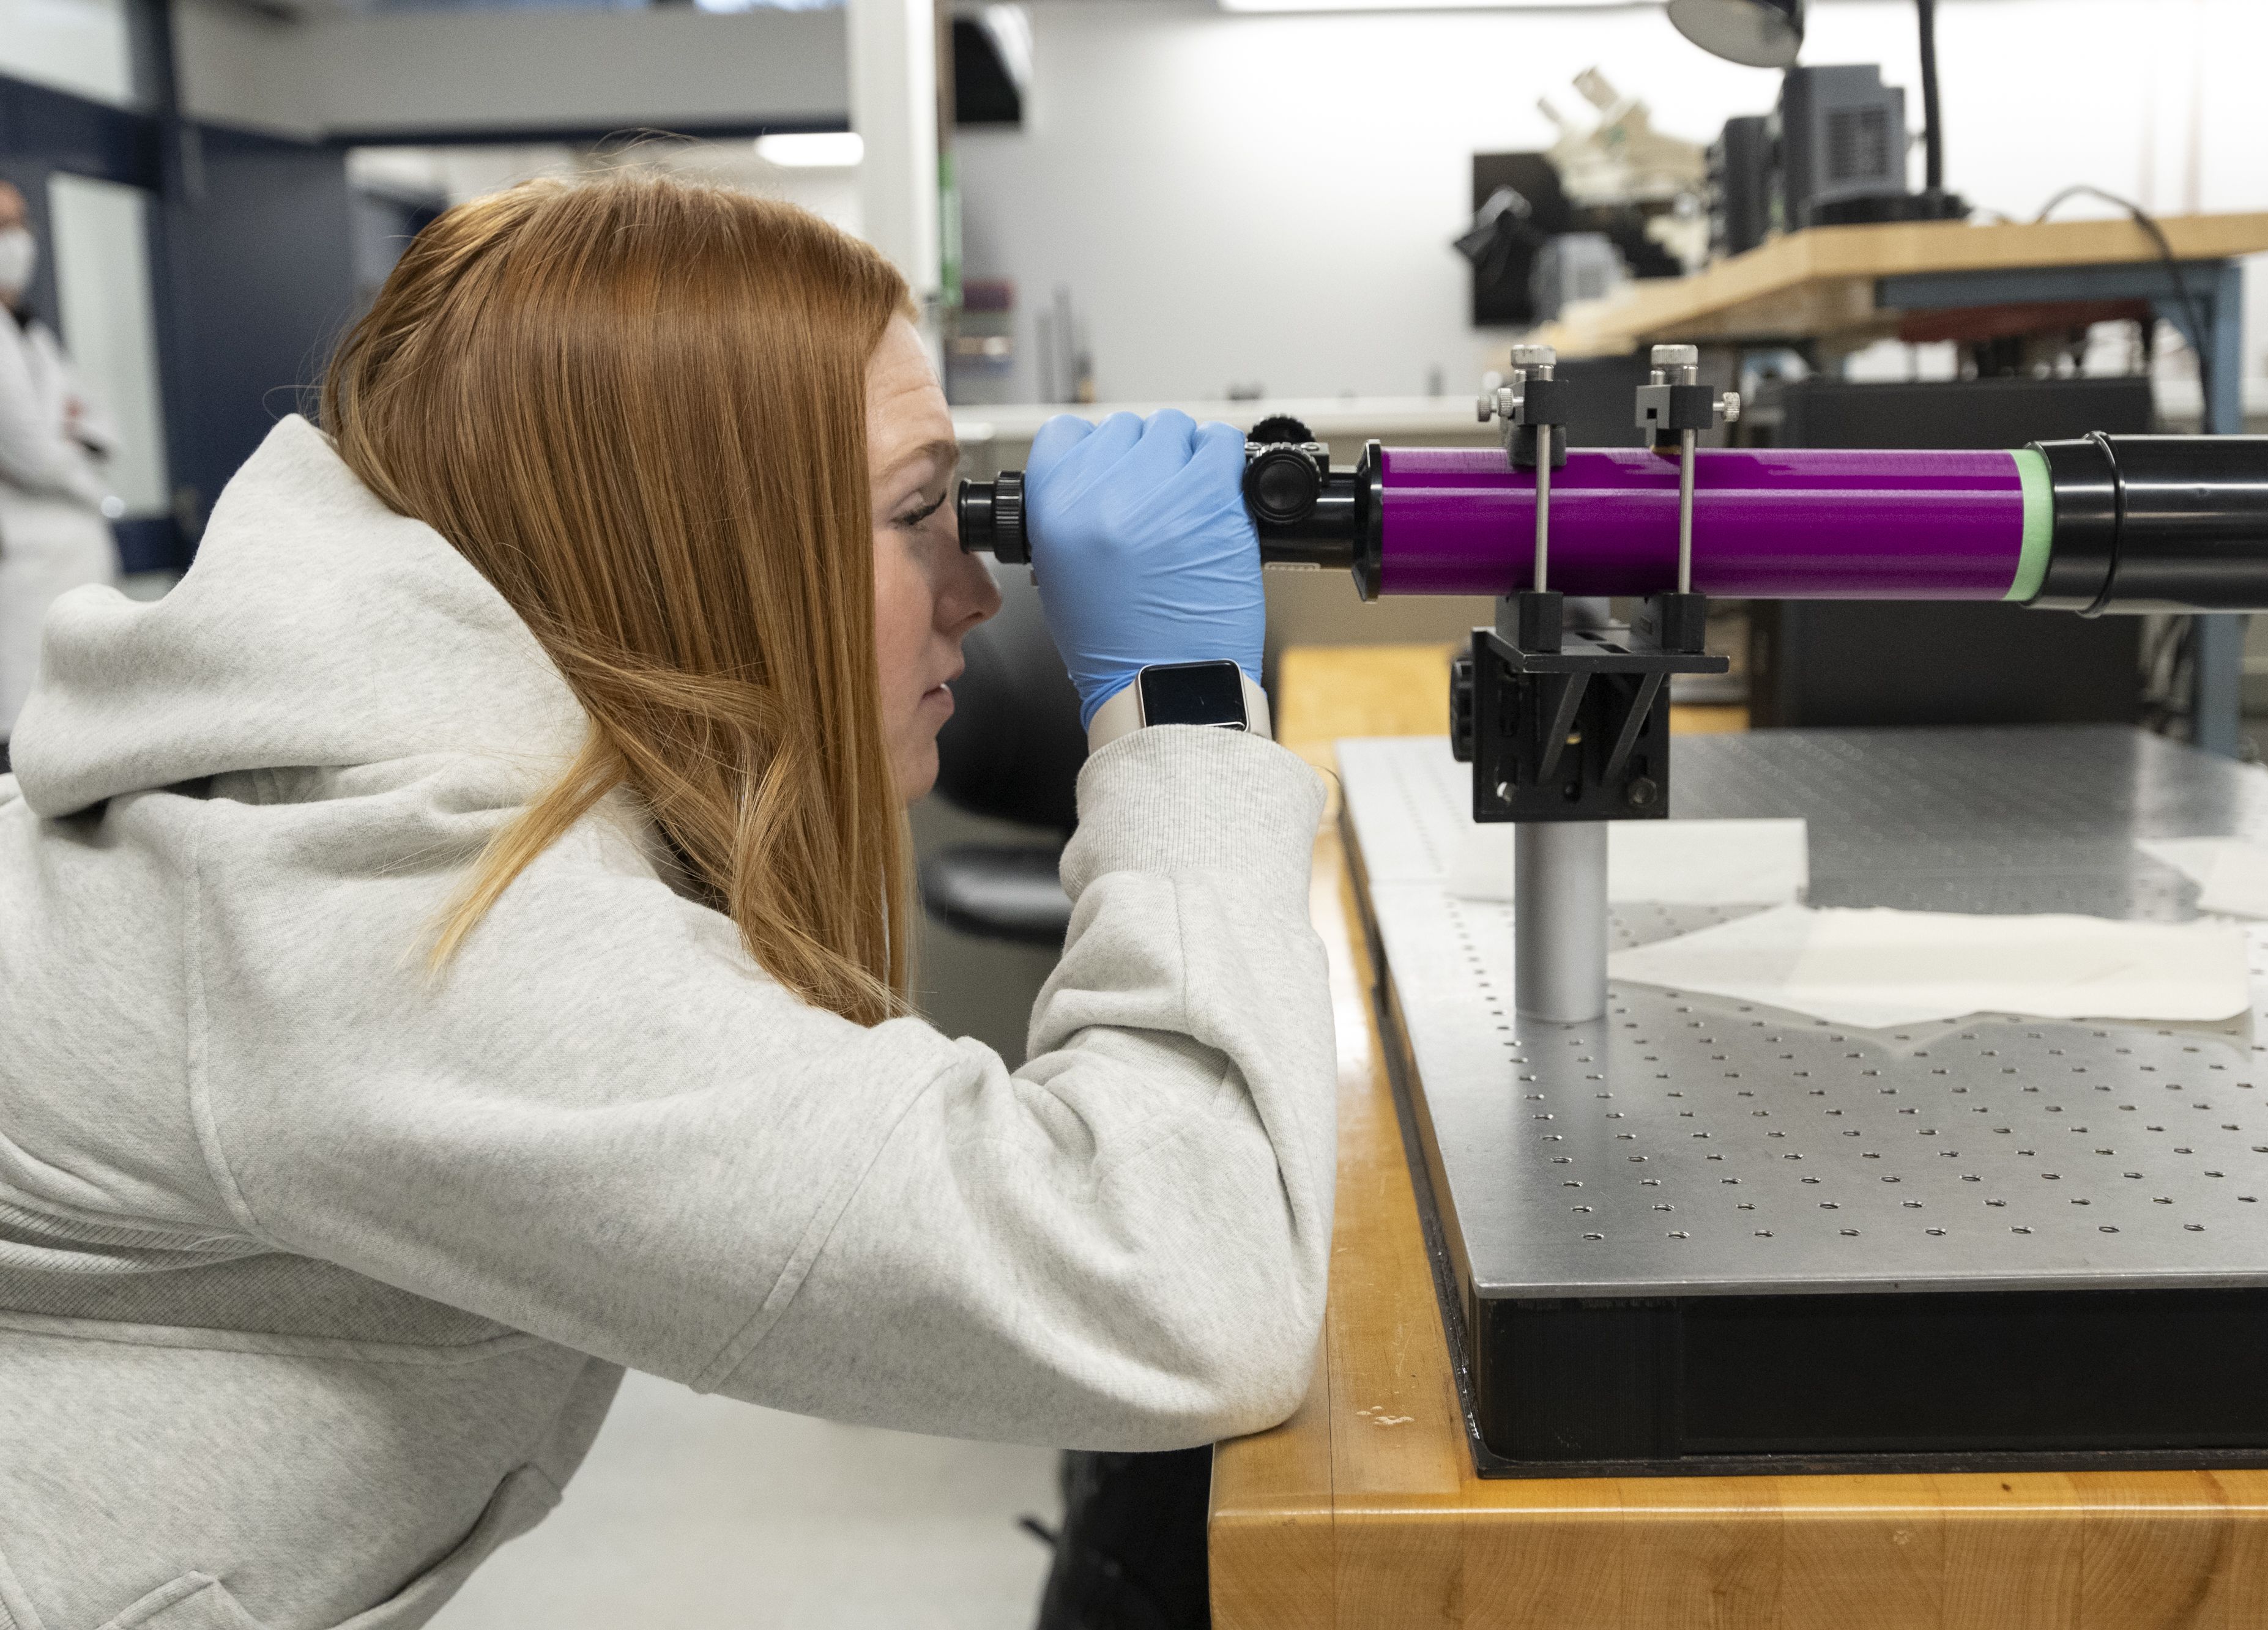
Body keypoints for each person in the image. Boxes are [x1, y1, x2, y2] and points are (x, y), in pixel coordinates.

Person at [0, 174, 1333, 1624]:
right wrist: (1188, 710)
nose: (976, 592)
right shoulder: (398, 920)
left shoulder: (420, 772)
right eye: (915, 515)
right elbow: (1182, 1286)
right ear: (701, 541)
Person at [0, 179, 119, 759]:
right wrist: (75, 459)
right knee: (23, 749)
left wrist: (71, 439)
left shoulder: (33, 334)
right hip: (20, 573)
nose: (17, 240)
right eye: (2, 226)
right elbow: (30, 449)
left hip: (67, 564)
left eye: (20, 223)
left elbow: (102, 422)